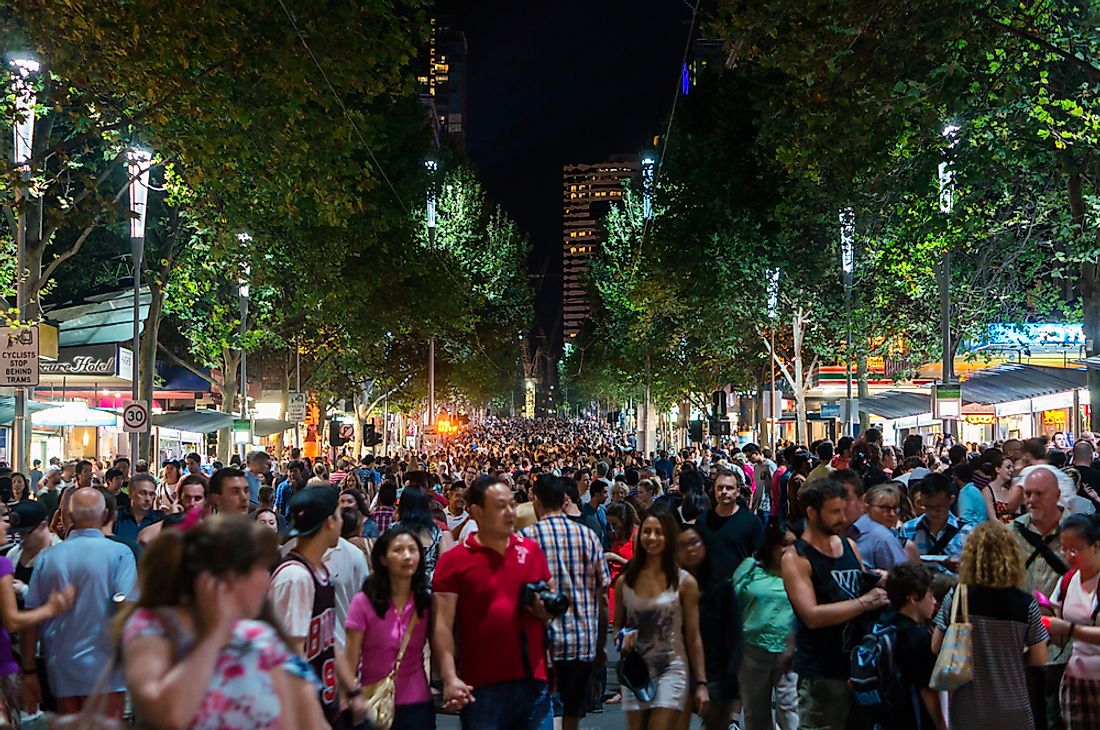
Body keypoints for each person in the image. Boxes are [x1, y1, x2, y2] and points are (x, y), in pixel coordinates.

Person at [120, 515, 326, 729]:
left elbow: (310, 716)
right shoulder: (154, 625)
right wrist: (214, 630)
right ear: (222, 580)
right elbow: (168, 713)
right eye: (257, 569)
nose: (267, 579)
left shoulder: (258, 635)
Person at [432, 475, 555, 729]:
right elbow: (442, 624)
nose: (510, 512)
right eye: (500, 506)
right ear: (476, 511)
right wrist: (449, 676)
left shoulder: (531, 551)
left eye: (512, 504)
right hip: (482, 686)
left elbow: (550, 604)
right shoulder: (454, 561)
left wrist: (545, 611)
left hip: (533, 681)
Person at [21, 487, 138, 717]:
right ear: (105, 515)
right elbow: (127, 610)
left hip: (60, 665)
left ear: (70, 517)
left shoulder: (47, 557)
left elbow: (31, 618)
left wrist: (28, 671)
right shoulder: (120, 554)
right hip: (108, 668)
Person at [781, 478, 888, 730]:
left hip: (858, 670)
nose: (842, 518)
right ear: (812, 512)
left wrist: (877, 582)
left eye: (843, 510)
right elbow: (811, 615)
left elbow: (859, 589)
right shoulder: (796, 557)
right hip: (821, 673)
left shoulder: (849, 546)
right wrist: (864, 602)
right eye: (834, 512)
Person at [932, 521, 1050, 729]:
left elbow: (936, 646)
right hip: (1014, 706)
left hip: (968, 708)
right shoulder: (1026, 603)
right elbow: (1040, 658)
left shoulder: (959, 596)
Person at [523, 476, 610, 730]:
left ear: (535, 500)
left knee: (545, 712)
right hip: (581, 641)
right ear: (565, 501)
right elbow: (602, 597)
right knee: (573, 715)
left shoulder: (527, 538)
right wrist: (600, 644)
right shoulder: (588, 536)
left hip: (542, 644)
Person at [615, 509, 709, 728]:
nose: (652, 537)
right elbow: (617, 628)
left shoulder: (684, 582)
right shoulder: (625, 581)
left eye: (659, 532)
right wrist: (622, 639)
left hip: (671, 668)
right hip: (635, 671)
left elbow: (694, 637)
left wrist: (702, 683)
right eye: (647, 531)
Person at [342, 526, 434, 730]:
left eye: (413, 549)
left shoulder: (424, 601)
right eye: (398, 550)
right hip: (373, 702)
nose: (407, 556)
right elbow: (349, 659)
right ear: (383, 559)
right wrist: (351, 696)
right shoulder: (364, 602)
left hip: (417, 703)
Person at [269, 485, 345, 727]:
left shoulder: (320, 568)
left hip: (322, 701)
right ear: (329, 522)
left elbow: (328, 642)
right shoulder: (296, 577)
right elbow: (292, 655)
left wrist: (350, 690)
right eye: (340, 514)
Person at [1015, 464, 1076, 729]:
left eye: (1038, 494)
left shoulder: (1079, 534)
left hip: (1065, 646)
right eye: (1027, 493)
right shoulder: (1011, 533)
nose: (1030, 500)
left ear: (1056, 495)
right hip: (1020, 645)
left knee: (1060, 717)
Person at [677, 523, 742, 730]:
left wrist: (732, 677)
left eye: (694, 543)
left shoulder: (721, 585)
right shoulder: (671, 586)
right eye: (683, 545)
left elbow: (734, 635)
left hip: (716, 672)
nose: (690, 549)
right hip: (678, 670)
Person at [734, 521, 798, 730]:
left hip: (790, 655)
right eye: (783, 544)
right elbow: (732, 603)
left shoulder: (802, 573)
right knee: (756, 714)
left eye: (793, 545)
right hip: (752, 650)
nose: (788, 550)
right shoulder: (750, 567)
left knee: (790, 713)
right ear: (770, 545)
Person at [1046, 513, 1100, 730]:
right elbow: (1060, 640)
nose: (1068, 555)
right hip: (1075, 680)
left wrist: (1068, 629)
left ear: (1095, 546)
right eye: (1064, 548)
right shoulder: (1067, 581)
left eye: (1075, 550)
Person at [879, 564, 945, 730]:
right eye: (930, 595)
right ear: (914, 597)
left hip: (885, 715)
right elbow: (927, 690)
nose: (935, 602)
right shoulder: (919, 638)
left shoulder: (882, 623)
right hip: (912, 717)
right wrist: (941, 724)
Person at [695, 468, 763, 587]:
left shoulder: (751, 522)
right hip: (710, 590)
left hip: (740, 589)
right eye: (720, 488)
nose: (724, 492)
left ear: (737, 491)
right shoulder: (702, 521)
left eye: (729, 488)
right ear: (714, 491)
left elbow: (761, 558)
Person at [899, 473, 971, 572]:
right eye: (928, 507)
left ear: (951, 500)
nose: (933, 513)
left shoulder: (968, 533)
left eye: (938, 508)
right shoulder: (908, 529)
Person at [843, 475, 908, 570]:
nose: (892, 514)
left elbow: (904, 577)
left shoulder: (885, 539)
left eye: (895, 508)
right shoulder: (851, 532)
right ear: (866, 508)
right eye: (885, 508)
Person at [393, 487, 453, 582]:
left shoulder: (393, 530)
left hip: (400, 585)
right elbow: (445, 566)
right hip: (428, 587)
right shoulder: (436, 531)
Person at [114, 473, 166, 544]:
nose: (148, 499)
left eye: (151, 494)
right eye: (142, 493)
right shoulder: (117, 517)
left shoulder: (159, 518)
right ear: (130, 494)